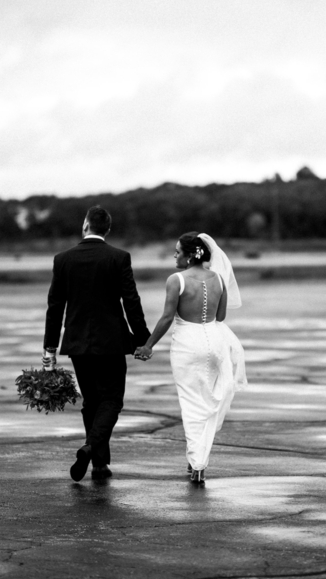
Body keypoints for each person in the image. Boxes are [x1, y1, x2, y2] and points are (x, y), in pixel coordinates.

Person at [43, 206, 151, 482]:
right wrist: (143, 339)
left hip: (77, 343)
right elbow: (131, 301)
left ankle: (99, 465)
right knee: (111, 400)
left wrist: (50, 349)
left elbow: (55, 307)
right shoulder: (119, 257)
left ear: (85, 225)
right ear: (108, 229)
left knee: (91, 402)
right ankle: (91, 449)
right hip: (112, 342)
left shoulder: (63, 259)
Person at [135, 232, 246, 484]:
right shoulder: (219, 279)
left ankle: (198, 465)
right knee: (209, 402)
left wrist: (148, 346)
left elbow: (167, 318)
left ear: (189, 256)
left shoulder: (176, 280)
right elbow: (220, 317)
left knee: (191, 404)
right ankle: (196, 457)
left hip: (187, 345)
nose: (174, 256)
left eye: (177, 252)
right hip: (215, 343)